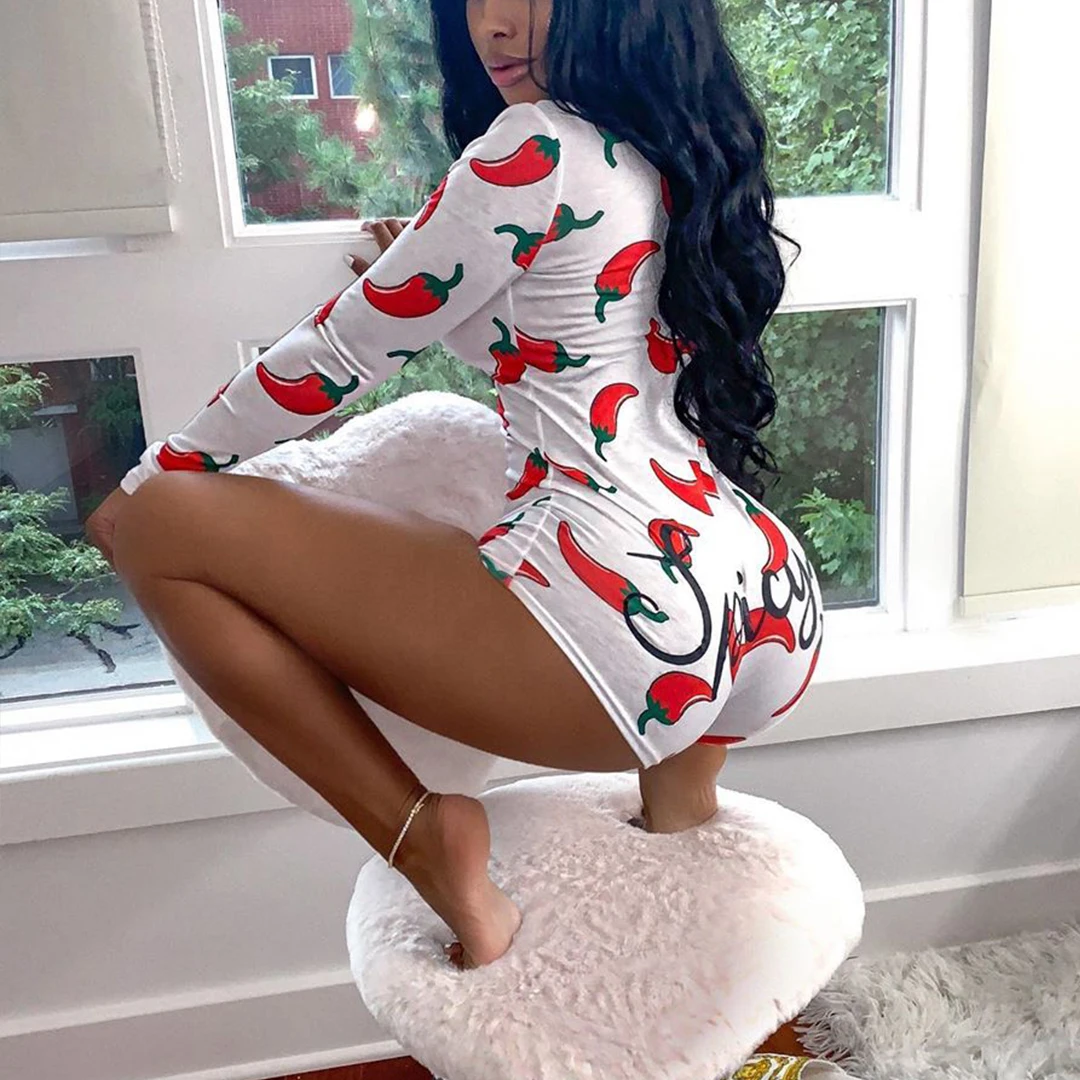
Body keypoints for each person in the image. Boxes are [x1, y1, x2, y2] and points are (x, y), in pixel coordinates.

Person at [86, 0, 824, 970]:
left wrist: (156, 472)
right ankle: (682, 807)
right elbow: (577, 349)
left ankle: (425, 837)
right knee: (675, 788)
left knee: (153, 527)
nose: (495, 26)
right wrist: (436, 271)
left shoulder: (536, 145)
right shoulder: (680, 144)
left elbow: (340, 354)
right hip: (762, 594)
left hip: (628, 623)